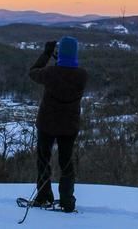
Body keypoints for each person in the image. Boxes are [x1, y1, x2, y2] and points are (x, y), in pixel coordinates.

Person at [29, 36, 87, 213]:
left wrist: (47, 53)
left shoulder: (50, 74)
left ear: (59, 54)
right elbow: (66, 73)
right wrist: (60, 61)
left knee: (43, 160)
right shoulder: (82, 75)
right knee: (67, 163)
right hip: (69, 126)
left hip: (47, 124)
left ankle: (44, 196)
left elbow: (33, 72)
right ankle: (67, 201)